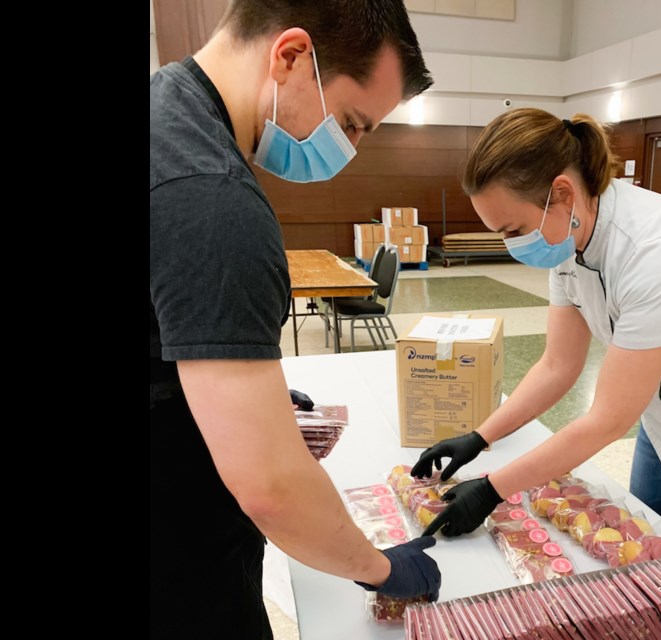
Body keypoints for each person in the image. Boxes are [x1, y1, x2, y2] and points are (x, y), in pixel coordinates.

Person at [150, 2, 438, 637]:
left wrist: (247, 390)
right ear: (290, 57)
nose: (351, 151)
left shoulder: (164, 113)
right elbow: (271, 487)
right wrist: (379, 568)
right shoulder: (212, 198)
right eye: (354, 123)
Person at [413, 108, 661, 575]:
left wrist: (493, 488)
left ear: (562, 194)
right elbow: (556, 365)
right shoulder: (569, 241)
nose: (511, 244)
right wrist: (480, 436)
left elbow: (608, 418)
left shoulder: (660, 249)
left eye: (513, 230)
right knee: (638, 558)